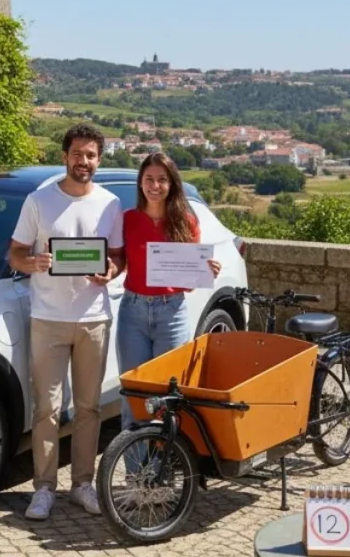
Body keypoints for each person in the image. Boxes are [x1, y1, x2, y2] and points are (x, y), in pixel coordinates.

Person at [8, 123, 124, 520]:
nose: (84, 162)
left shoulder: (110, 204)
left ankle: (82, 485)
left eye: (91, 155)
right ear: (65, 157)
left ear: (99, 159)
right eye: (77, 154)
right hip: (48, 318)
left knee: (90, 407)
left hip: (94, 318)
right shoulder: (39, 201)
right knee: (47, 409)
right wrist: (33, 262)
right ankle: (43, 489)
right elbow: (15, 254)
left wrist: (110, 271)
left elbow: (119, 257)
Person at [116, 152, 221, 469]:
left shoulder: (186, 221)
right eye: (149, 179)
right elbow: (118, 261)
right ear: (141, 183)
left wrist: (206, 271)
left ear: (172, 183)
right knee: (133, 397)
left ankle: (163, 471)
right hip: (133, 312)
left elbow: (188, 283)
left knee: (167, 398)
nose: (155, 185)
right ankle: (137, 477)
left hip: (171, 314)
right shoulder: (129, 220)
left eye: (162, 179)